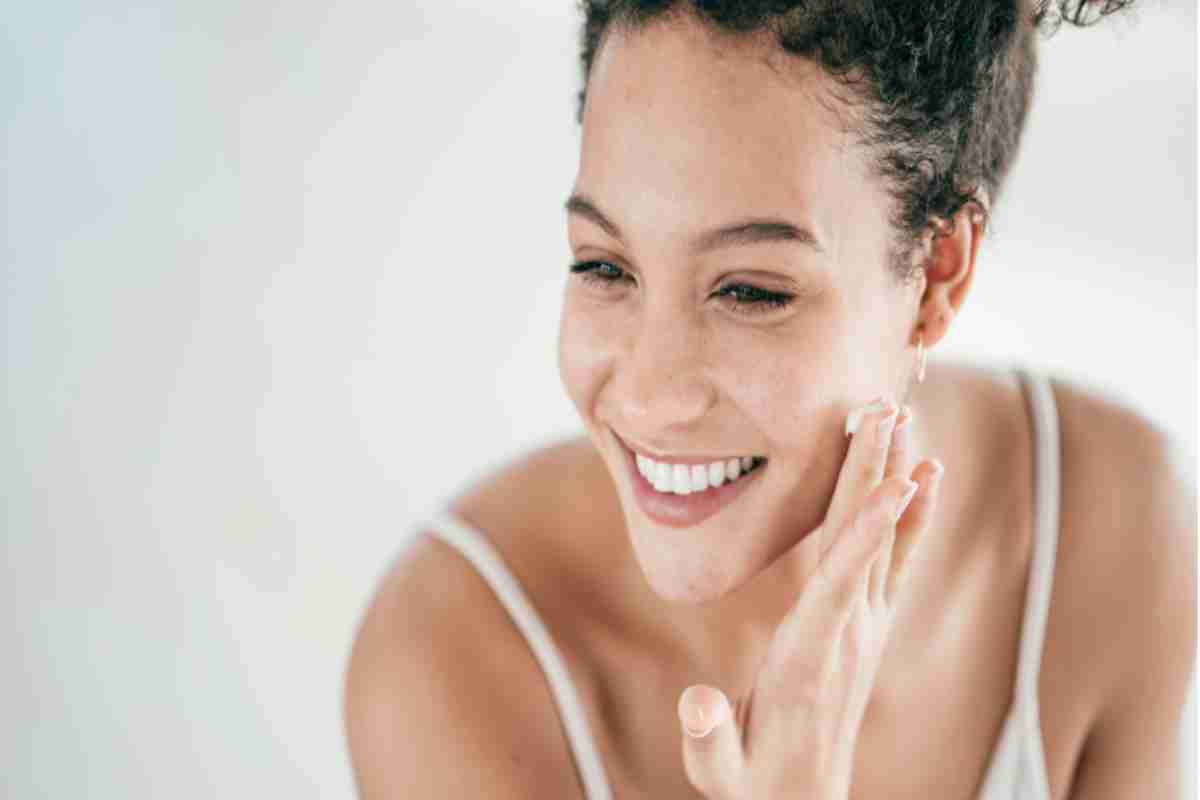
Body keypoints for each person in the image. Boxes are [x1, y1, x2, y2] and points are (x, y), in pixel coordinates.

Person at [344, 1, 1196, 797]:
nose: (649, 396)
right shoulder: (453, 656)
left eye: (750, 291)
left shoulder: (1113, 532)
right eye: (604, 266)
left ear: (939, 274)